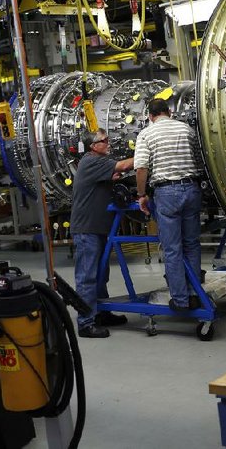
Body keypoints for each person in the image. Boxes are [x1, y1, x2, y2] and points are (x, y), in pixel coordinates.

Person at [134, 99, 204, 311]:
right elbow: (199, 160)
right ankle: (195, 294)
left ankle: (181, 300)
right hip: (192, 189)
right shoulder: (187, 129)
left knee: (173, 249)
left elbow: (141, 168)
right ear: (170, 112)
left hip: (167, 193)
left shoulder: (146, 134)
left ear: (150, 116)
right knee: (191, 245)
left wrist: (142, 194)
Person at [70, 128, 134, 338]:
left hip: (96, 227)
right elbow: (124, 165)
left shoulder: (96, 163)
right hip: (87, 229)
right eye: (103, 140)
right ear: (92, 146)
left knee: (100, 274)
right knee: (87, 276)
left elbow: (117, 172)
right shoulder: (91, 161)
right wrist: (145, 151)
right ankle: (86, 323)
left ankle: (101, 313)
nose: (108, 143)